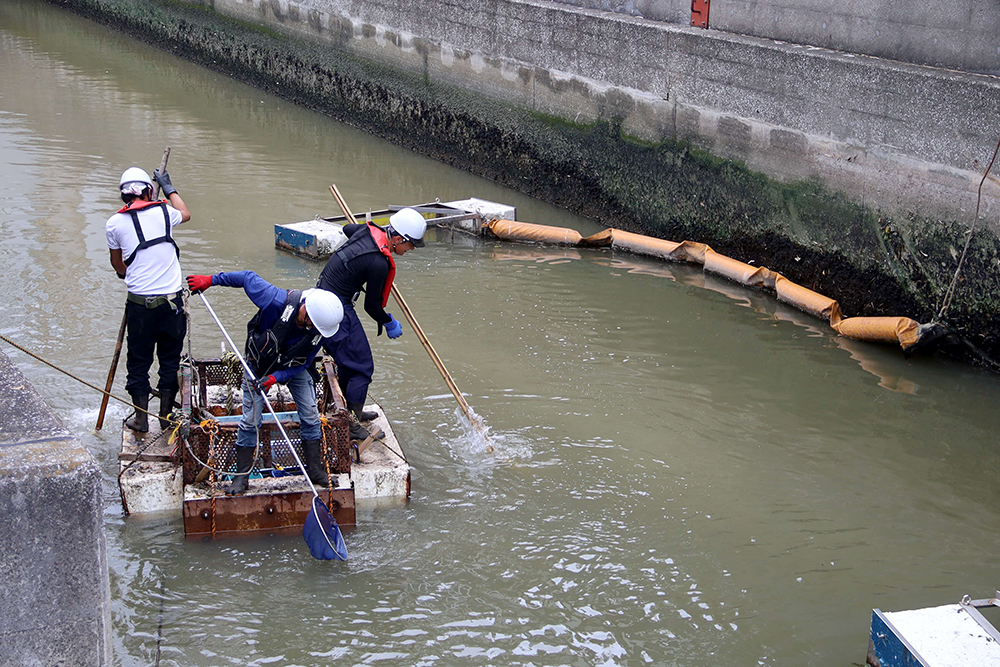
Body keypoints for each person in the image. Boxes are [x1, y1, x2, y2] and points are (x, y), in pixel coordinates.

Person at [185, 271, 344, 496]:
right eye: (315, 327)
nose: (316, 332)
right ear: (307, 313)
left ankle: (315, 469)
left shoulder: (319, 331)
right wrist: (211, 280)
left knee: (310, 414)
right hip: (258, 367)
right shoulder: (275, 300)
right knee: (250, 420)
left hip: (292, 367)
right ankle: (242, 477)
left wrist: (276, 378)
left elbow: (305, 361)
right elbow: (246, 278)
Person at [316, 207, 426, 440]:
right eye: (411, 245)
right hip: (335, 308)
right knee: (361, 366)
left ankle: (349, 410)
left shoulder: (366, 231)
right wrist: (389, 322)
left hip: (323, 294)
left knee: (349, 361)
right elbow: (372, 307)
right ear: (398, 239)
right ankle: (352, 423)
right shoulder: (379, 263)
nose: (411, 250)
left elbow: (347, 228)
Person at [106, 166, 191, 433]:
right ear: (148, 190)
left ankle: (141, 420)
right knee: (169, 360)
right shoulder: (165, 212)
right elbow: (186, 214)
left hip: (140, 306)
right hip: (171, 304)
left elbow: (118, 264)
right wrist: (169, 186)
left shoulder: (114, 223)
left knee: (139, 362)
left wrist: (126, 274)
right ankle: (165, 417)